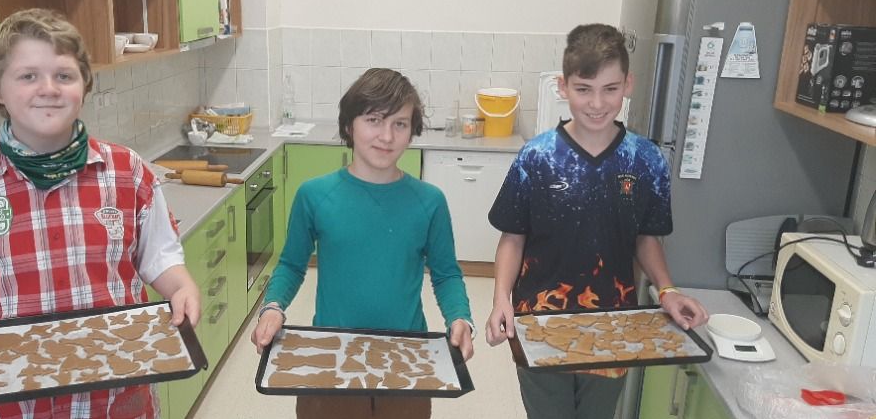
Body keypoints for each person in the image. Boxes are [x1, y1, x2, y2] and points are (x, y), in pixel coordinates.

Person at [0, 8, 200, 418]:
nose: (49, 89)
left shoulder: (127, 171)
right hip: (11, 403)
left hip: (116, 398)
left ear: (84, 84)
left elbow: (160, 256)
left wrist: (181, 288)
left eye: (64, 75)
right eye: (28, 76)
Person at [484, 23, 709, 419]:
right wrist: (501, 297)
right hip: (539, 322)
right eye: (584, 89)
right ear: (563, 87)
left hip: (613, 327)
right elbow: (513, 237)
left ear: (628, 85)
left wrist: (668, 290)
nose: (597, 103)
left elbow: (647, 238)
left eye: (610, 89)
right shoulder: (536, 157)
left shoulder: (646, 160)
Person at [251, 68, 475, 419]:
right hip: (332, 356)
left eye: (400, 124)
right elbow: (291, 265)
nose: (387, 136)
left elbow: (446, 274)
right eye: (374, 120)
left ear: (412, 131)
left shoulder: (429, 202)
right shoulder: (315, 195)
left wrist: (460, 317)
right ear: (348, 126)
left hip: (406, 357)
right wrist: (273, 307)